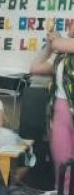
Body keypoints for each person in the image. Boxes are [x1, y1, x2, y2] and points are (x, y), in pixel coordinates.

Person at [31, 22, 74, 185]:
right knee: (61, 158)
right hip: (60, 110)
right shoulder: (63, 56)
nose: (71, 25)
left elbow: (58, 43)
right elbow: (35, 67)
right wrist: (49, 47)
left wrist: (55, 40)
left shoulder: (65, 46)